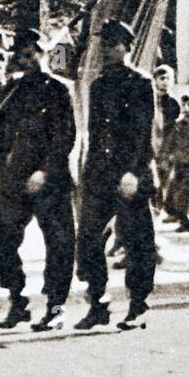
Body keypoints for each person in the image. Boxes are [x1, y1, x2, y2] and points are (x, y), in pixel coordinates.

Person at [0, 28, 76, 331]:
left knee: (59, 243)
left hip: (48, 179)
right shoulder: (11, 91)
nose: (26, 60)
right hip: (13, 179)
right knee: (1, 238)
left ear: (42, 54)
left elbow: (66, 137)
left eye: (31, 54)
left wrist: (45, 172)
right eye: (21, 56)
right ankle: (18, 300)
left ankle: (55, 306)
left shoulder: (58, 89)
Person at [73, 20, 158, 331]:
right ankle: (98, 302)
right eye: (104, 44)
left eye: (114, 44)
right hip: (100, 174)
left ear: (127, 47)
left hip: (130, 174)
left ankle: (138, 304)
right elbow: (95, 135)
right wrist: (88, 172)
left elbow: (144, 133)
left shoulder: (140, 83)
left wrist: (133, 171)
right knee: (88, 239)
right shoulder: (98, 85)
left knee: (137, 240)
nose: (107, 49)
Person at [160, 93, 189, 232]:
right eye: (183, 105)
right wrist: (167, 155)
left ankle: (186, 222)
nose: (186, 108)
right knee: (171, 194)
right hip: (179, 164)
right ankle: (176, 214)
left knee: (184, 195)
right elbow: (170, 141)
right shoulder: (178, 125)